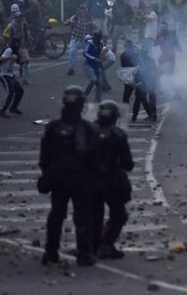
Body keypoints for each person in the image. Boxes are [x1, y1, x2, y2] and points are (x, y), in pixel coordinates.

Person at [38, 86, 97, 266]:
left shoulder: (53, 127)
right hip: (80, 179)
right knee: (82, 216)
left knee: (56, 214)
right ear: (81, 105)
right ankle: (84, 254)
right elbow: (94, 157)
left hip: (58, 178)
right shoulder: (87, 128)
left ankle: (50, 252)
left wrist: (49, 173)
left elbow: (44, 156)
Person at [91, 100, 134, 259]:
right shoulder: (118, 135)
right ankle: (106, 244)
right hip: (113, 182)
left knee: (94, 215)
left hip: (92, 181)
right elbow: (128, 163)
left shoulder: (89, 132)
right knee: (119, 214)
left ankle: (92, 246)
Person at [0, 37, 24, 117]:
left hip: (10, 74)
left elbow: (19, 62)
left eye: (18, 43)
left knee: (20, 91)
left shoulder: (16, 51)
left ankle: (13, 108)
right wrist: (9, 57)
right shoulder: (9, 50)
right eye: (16, 43)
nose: (17, 45)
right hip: (3, 74)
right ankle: (2, 111)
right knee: (10, 92)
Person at [66, 5, 93, 75]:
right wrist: (69, 22)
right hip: (75, 39)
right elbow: (68, 21)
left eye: (83, 9)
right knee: (72, 51)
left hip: (85, 40)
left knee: (90, 54)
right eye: (80, 9)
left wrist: (92, 24)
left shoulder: (89, 18)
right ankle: (71, 68)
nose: (81, 11)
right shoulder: (75, 17)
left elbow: (95, 26)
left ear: (85, 11)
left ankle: (90, 68)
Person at [83, 32, 105, 103]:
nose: (94, 39)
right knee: (93, 80)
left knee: (99, 84)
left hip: (96, 66)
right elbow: (85, 53)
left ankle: (97, 101)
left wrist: (101, 58)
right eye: (94, 37)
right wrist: (94, 59)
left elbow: (101, 53)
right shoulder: (90, 43)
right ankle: (84, 95)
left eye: (96, 38)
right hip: (88, 65)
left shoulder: (101, 44)